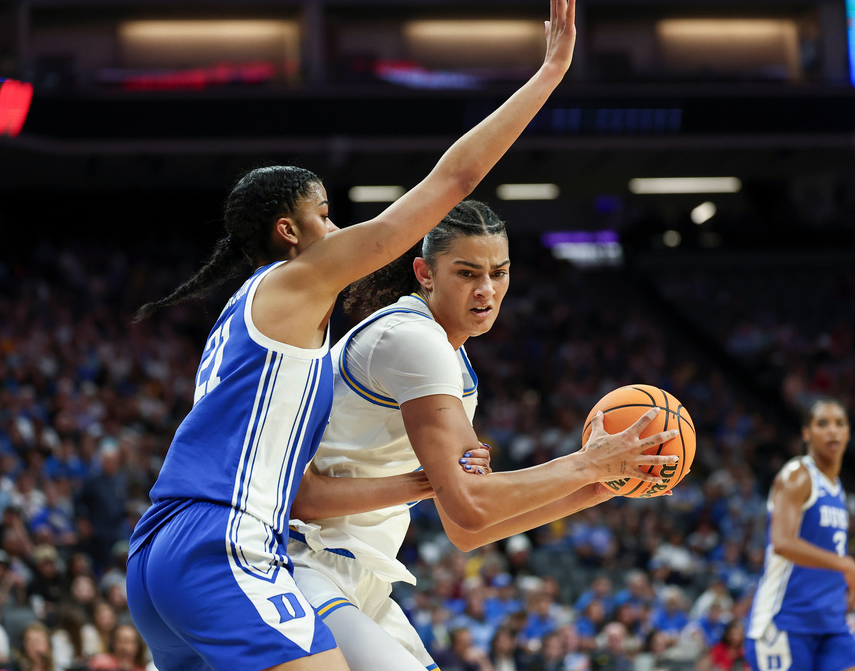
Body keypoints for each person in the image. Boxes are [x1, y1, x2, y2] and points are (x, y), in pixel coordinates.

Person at [125, 0, 581, 669]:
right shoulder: (297, 280)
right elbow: (453, 178)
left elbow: (299, 487)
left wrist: (414, 482)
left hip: (158, 550)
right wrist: (548, 74)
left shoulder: (249, 315)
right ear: (289, 231)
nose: (338, 230)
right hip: (222, 539)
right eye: (326, 214)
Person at [286, 197, 681, 671]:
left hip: (358, 576)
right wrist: (584, 463)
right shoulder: (413, 340)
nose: (487, 290)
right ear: (425, 273)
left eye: (499, 273)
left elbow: (466, 531)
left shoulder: (453, 363)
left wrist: (593, 488)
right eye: (467, 273)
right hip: (305, 558)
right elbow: (469, 506)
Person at [744, 398, 855, 671]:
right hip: (786, 622)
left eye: (840, 424)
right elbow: (782, 542)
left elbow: (824, 553)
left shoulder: (837, 487)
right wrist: (846, 564)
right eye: (822, 424)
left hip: (830, 623)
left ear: (848, 433)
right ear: (806, 433)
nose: (832, 431)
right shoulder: (797, 476)